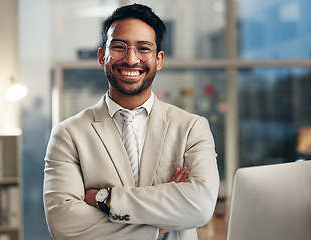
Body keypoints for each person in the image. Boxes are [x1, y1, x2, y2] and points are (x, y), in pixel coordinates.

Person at [43, 3, 219, 240]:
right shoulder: (68, 134)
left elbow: (200, 206)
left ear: (159, 60)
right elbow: (64, 224)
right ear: (102, 56)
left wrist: (106, 199)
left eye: (143, 48)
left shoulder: (191, 128)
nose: (131, 59)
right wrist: (159, 225)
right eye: (119, 47)